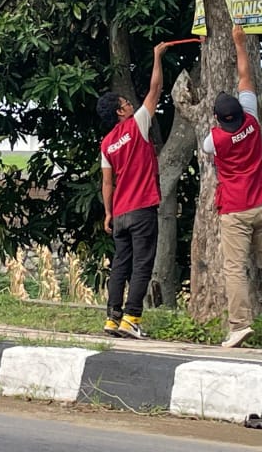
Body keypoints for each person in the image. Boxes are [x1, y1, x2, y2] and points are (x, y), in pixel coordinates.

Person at [202, 25, 262, 348]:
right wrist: (240, 43)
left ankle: (240, 324)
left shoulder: (214, 141)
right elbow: (245, 77)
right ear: (240, 113)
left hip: (234, 210)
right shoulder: (253, 120)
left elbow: (207, 145)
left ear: (219, 119)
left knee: (234, 268)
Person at [96, 42, 170, 338]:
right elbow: (156, 89)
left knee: (120, 265)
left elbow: (107, 182)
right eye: (126, 103)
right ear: (120, 111)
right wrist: (157, 57)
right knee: (142, 264)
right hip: (142, 208)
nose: (131, 104)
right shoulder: (137, 125)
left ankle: (112, 318)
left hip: (120, 213)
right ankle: (131, 318)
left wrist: (108, 213)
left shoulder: (106, 144)